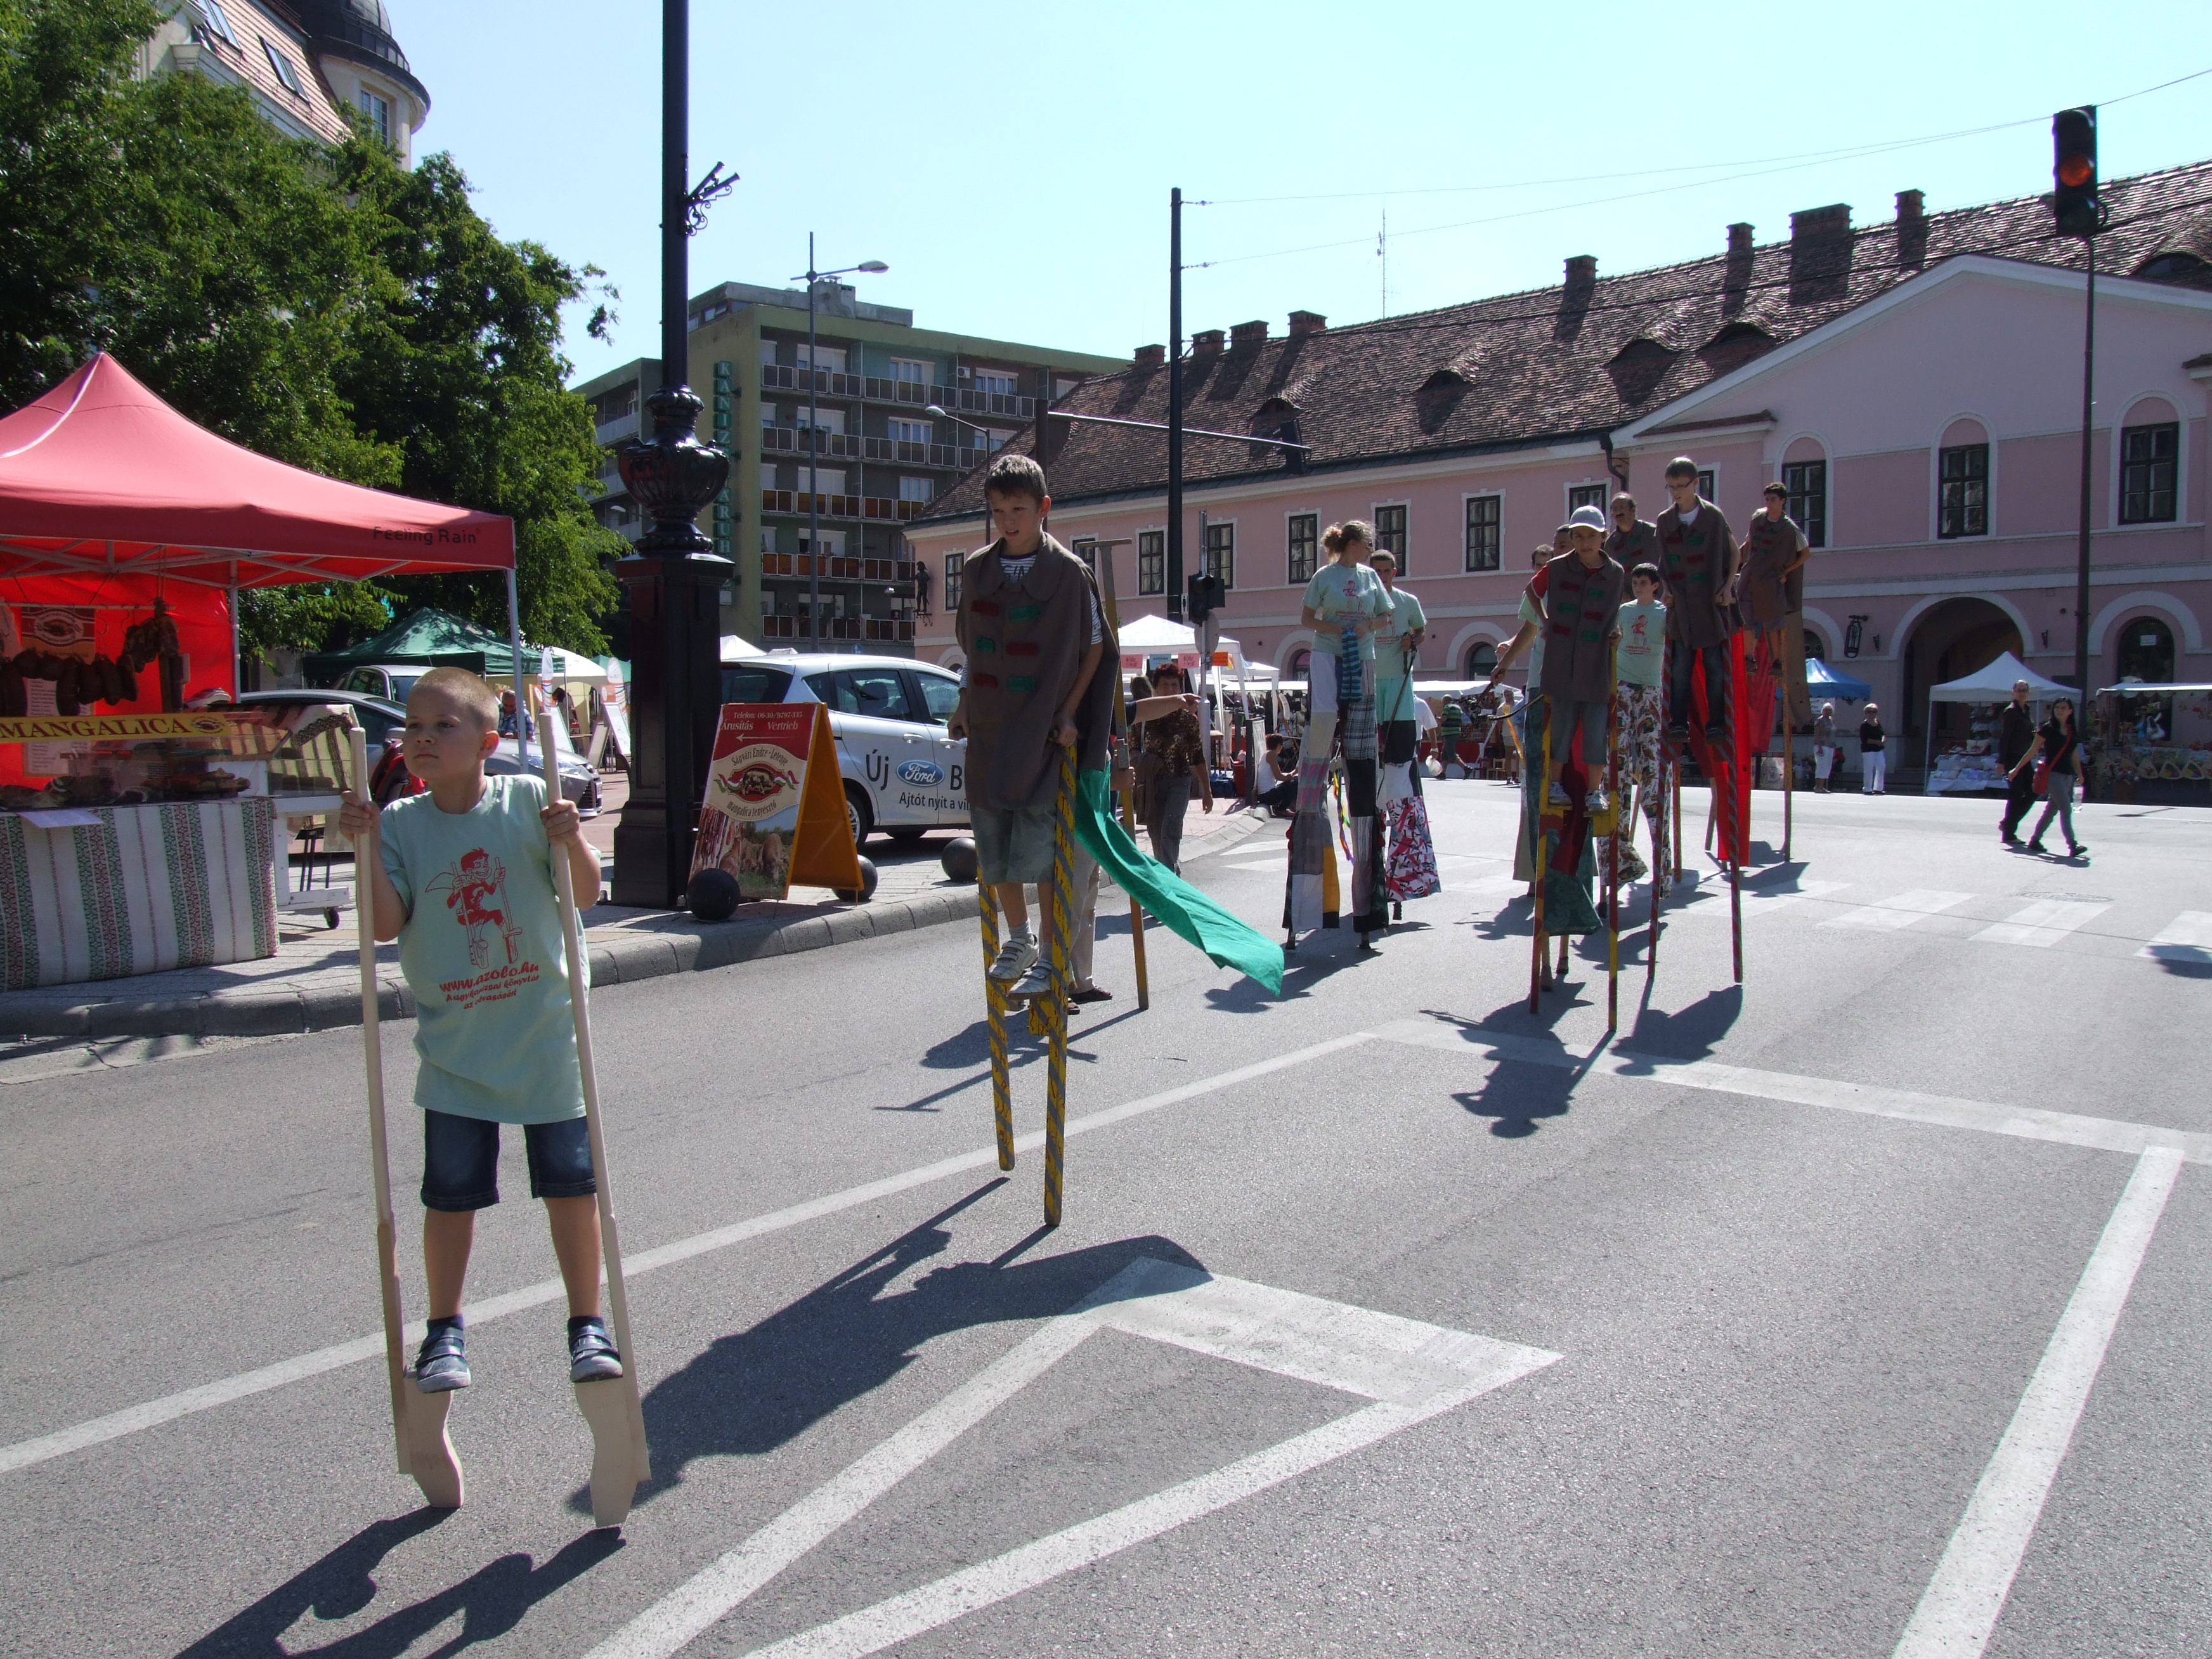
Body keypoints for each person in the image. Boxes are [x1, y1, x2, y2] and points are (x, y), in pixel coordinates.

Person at [337, 667, 621, 1395]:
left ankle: (587, 1322)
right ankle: (444, 1330)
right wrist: (364, 849)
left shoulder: (526, 799)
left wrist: (572, 840)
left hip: (544, 1033)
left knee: (570, 1186)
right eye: (413, 726)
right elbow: (384, 925)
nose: (423, 737)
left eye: (443, 725)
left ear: (489, 743)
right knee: (450, 1193)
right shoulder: (399, 823)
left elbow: (583, 894)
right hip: (456, 1045)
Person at [946, 453, 1117, 1002]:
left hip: (1043, 732)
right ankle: (1018, 939)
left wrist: (1069, 711)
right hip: (990, 729)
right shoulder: (977, 570)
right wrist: (963, 701)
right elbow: (972, 648)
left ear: (1043, 507)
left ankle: (1049, 956)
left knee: (1043, 850)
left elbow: (1096, 648)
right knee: (992, 838)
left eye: (1018, 510)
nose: (1007, 521)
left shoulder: (1068, 572)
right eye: (998, 511)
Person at [1292, 521, 1394, 946]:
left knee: (1361, 754)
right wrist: (1337, 629)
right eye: (1368, 544)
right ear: (1353, 544)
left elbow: (1386, 615)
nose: (1371, 550)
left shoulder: (1370, 578)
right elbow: (1307, 618)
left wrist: (1370, 627)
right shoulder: (1325, 576)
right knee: (1322, 726)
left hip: (1362, 660)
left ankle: (1367, 908)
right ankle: (1313, 774)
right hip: (1328, 657)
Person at [1530, 504, 1626, 814]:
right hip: (1562, 660)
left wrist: (1617, 632)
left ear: (1604, 537)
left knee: (1597, 729)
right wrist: (1546, 621)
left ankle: (1595, 791)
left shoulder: (1615, 573)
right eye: (1579, 536)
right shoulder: (1557, 567)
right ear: (1572, 537)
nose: (1585, 542)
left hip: (1597, 661)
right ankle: (1555, 784)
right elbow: (1532, 591)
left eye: (1591, 536)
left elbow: (1615, 613)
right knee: (1562, 727)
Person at [1487, 542, 1560, 889]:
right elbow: (1530, 630)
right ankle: (1535, 873)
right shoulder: (1535, 594)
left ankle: (1566, 872)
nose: (1544, 569)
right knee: (1535, 783)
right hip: (1538, 689)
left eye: (1549, 562)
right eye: (1539, 565)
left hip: (1571, 690)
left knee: (1569, 782)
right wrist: (1505, 662)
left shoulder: (1576, 587)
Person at [1655, 457, 1739, 755]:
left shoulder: (1713, 517)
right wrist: (1666, 590)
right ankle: (1678, 722)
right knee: (1680, 668)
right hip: (1682, 605)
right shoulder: (1665, 521)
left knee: (1715, 666)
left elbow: (1734, 552)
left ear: (1695, 484)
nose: (1676, 492)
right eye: (1671, 487)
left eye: (1682, 486)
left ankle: (1717, 723)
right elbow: (1663, 563)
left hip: (1709, 602)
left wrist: (1727, 587)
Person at [1738, 483, 1814, 726]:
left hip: (1771, 579)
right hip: (1752, 575)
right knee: (1746, 618)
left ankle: (1777, 661)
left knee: (1772, 620)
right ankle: (1749, 658)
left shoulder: (1790, 529)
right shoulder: (1757, 520)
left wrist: (1787, 572)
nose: (1769, 503)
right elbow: (1748, 544)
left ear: (1782, 502)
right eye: (1767, 499)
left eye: (1773, 499)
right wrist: (1736, 563)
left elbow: (1806, 553)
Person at [1614, 561, 1669, 894]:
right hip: (1623, 684)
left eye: (1644, 582)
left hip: (1650, 687)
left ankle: (1664, 868)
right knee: (1618, 763)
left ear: (1655, 586)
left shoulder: (1664, 613)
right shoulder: (1624, 611)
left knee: (1651, 768)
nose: (1638, 587)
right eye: (1635, 582)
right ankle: (1622, 858)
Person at [1133, 660, 1212, 873]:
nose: (1170, 690)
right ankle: (1170, 873)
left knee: (1171, 829)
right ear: (1155, 688)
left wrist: (1207, 792)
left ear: (1181, 689)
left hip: (1179, 781)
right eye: (1165, 685)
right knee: (1156, 835)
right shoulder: (1143, 717)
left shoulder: (1188, 720)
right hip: (1151, 783)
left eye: (1174, 685)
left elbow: (1197, 756)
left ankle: (1169, 883)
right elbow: (1132, 748)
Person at [1370, 549, 1428, 795]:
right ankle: (1375, 801)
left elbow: (1421, 631)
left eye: (1387, 571)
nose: (1382, 576)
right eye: (1377, 571)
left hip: (1399, 679)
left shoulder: (1408, 601)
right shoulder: (1363, 602)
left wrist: (1412, 641)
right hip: (1370, 679)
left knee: (1401, 749)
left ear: (1394, 573)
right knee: (1372, 748)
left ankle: (1404, 800)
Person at [2016, 696, 2088, 857]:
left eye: (2063, 708)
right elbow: (2033, 750)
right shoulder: (2047, 729)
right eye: (2057, 708)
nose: (2060, 711)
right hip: (2052, 774)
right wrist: (2017, 768)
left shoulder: (2071, 730)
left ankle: (2035, 840)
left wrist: (2080, 774)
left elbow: (2074, 755)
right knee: (2066, 808)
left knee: (2051, 810)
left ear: (2070, 711)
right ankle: (2073, 844)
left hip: (2067, 775)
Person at [1998, 678, 2038, 845]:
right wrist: (2001, 762)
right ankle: (2009, 833)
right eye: (2019, 690)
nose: (2022, 693)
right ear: (2013, 692)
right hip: (2013, 757)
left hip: (2025, 757)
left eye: (2024, 690)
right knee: (2016, 794)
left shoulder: (2026, 710)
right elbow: (2005, 737)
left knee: (2034, 791)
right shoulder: (2011, 711)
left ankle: (2008, 823)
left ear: (2029, 693)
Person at [1859, 702, 1887, 794]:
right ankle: (1867, 788)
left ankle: (1878, 788)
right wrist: (1876, 742)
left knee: (1881, 767)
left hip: (1879, 749)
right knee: (1869, 769)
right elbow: (1864, 739)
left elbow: (1883, 734)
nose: (1872, 714)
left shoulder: (1878, 723)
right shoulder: (1864, 725)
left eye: (1874, 711)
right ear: (1866, 713)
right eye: (1869, 712)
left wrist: (1883, 740)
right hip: (1868, 750)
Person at [1813, 702, 1837, 794]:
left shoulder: (1831, 720)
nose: (1828, 712)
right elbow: (1817, 734)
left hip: (1830, 746)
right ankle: (1818, 786)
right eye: (1826, 710)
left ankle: (1822, 786)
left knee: (1827, 766)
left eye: (1830, 710)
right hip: (1822, 746)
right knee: (1821, 765)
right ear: (1822, 711)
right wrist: (1819, 747)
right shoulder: (1820, 720)